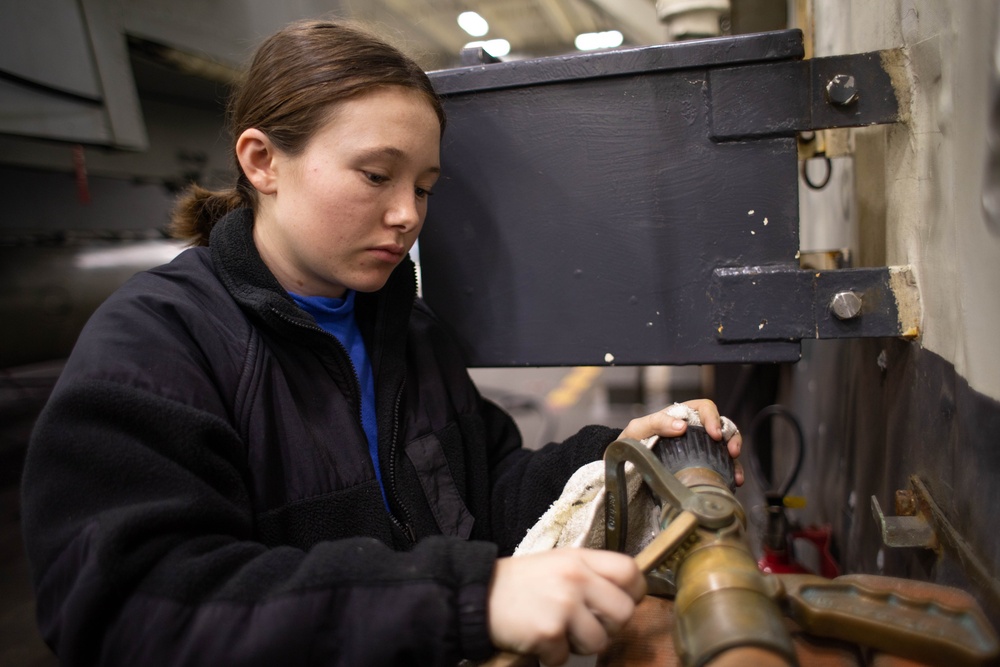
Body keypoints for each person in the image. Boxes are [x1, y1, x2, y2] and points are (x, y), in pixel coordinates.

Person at [20, 19, 742, 667]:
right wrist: (462, 598)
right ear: (261, 161)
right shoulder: (157, 345)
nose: (406, 215)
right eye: (375, 175)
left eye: (424, 186)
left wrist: (615, 458)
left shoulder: (404, 328)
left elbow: (482, 498)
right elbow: (126, 607)